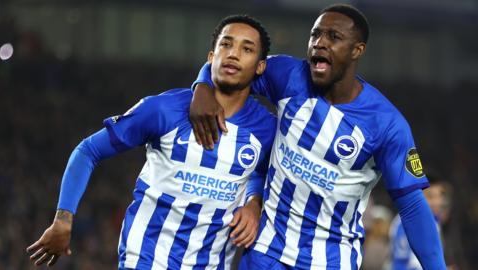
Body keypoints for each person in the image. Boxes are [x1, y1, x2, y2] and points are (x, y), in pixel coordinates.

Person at [189, 4, 446, 269]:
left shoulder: (386, 124)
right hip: (266, 254)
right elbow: (231, 67)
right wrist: (202, 86)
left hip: (331, 261)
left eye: (333, 37)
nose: (320, 43)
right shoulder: (288, 76)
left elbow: (413, 207)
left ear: (357, 49)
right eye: (315, 35)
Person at [26, 14, 276, 269]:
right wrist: (63, 218)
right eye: (226, 44)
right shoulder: (164, 109)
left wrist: (253, 202)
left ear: (260, 66)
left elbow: (259, 171)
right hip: (147, 258)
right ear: (211, 56)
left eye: (247, 49)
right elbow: (88, 151)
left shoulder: (267, 129)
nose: (233, 54)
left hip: (211, 263)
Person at [390, 174, 452, 270]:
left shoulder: (435, 222)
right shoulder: (406, 221)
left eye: (439, 196)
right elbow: (401, 264)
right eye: (431, 197)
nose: (437, 202)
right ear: (419, 196)